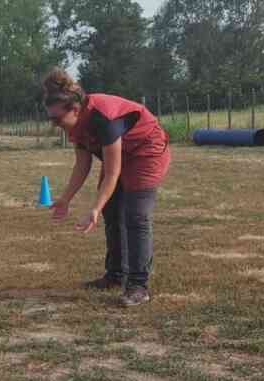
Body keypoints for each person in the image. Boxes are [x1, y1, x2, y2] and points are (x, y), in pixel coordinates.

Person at [43, 68, 170, 307]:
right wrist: (65, 199)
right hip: (121, 153)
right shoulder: (76, 126)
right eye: (50, 119)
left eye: (57, 119)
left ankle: (138, 285)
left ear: (76, 110)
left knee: (136, 215)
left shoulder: (104, 118)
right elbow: (82, 165)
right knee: (113, 211)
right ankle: (115, 275)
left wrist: (94, 209)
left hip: (146, 150)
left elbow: (112, 173)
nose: (54, 124)